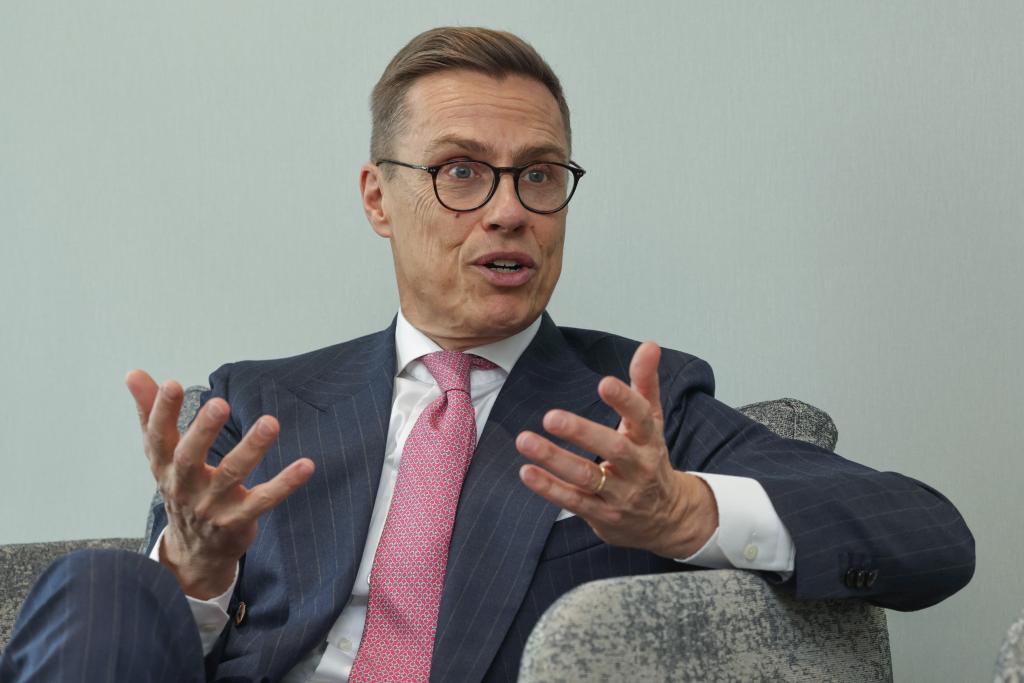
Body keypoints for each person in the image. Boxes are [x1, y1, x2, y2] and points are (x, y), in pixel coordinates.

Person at [1, 26, 974, 683]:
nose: (509, 209)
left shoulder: (638, 405)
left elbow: (929, 535)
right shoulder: (260, 401)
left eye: (539, 174)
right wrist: (196, 572)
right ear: (378, 198)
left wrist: (682, 510)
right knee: (107, 582)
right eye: (461, 171)